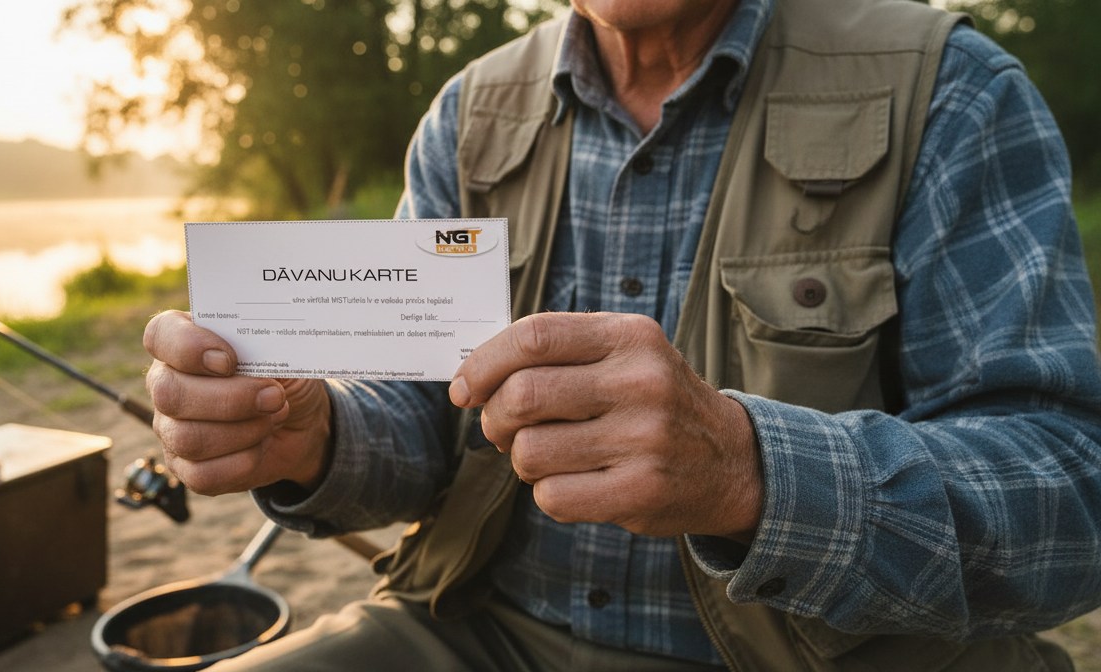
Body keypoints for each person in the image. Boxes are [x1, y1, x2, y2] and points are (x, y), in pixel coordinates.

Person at [143, 0, 1101, 669]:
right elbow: (422, 418)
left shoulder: (953, 90)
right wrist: (313, 437)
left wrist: (747, 469)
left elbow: (1074, 492)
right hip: (475, 629)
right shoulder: (466, 116)